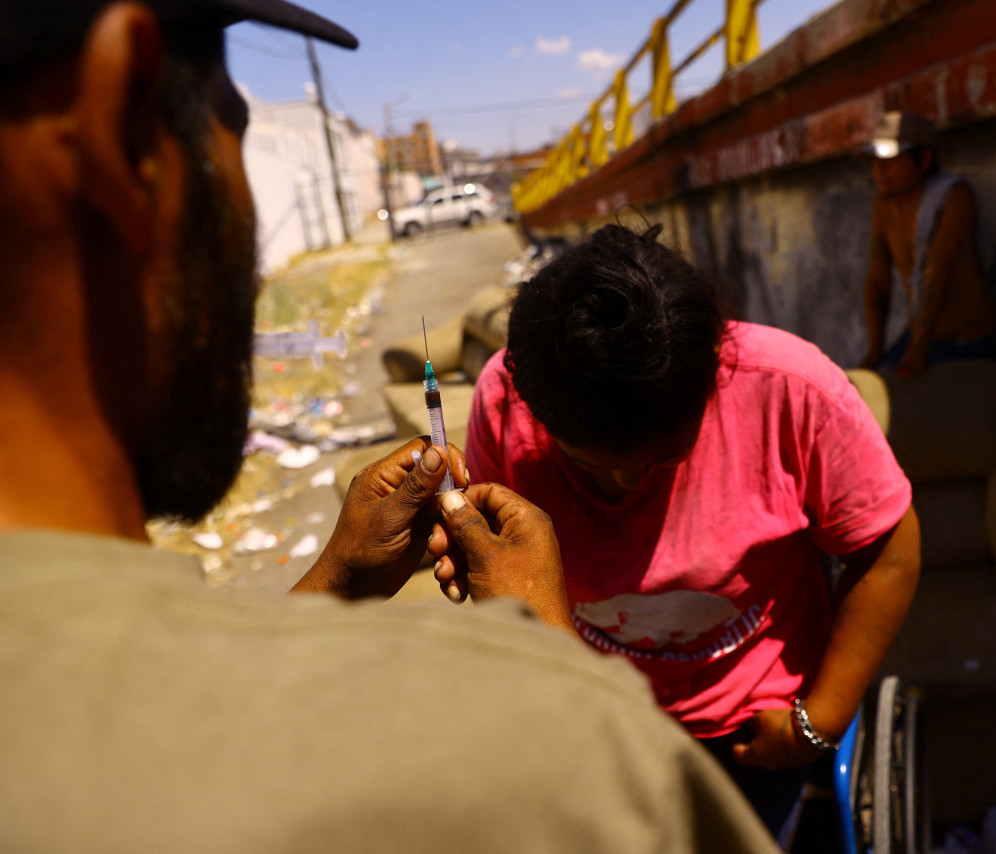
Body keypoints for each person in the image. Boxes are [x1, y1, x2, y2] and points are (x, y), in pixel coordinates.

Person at [0, 3, 780, 851]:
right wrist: (546, 653)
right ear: (126, 128)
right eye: (235, 129)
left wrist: (337, 578)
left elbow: (145, 714)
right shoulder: (563, 768)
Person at [457, 223, 921, 842]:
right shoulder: (502, 400)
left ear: (713, 377)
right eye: (588, 463)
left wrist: (818, 723)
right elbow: (502, 581)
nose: (625, 484)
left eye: (665, 454)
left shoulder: (791, 389)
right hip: (598, 730)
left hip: (754, 736)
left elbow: (887, 551)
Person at [858, 110, 996, 377]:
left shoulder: (954, 197)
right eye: (875, 161)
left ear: (923, 160)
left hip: (966, 343)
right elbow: (879, 277)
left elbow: (937, 271)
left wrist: (919, 348)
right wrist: (876, 349)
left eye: (891, 160)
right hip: (918, 339)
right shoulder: (884, 205)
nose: (880, 170)